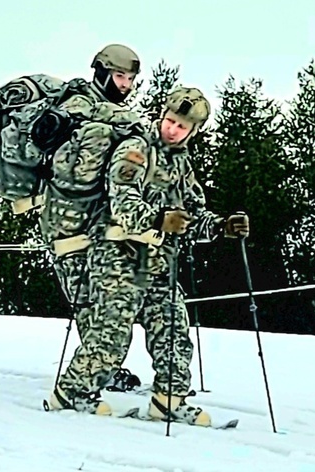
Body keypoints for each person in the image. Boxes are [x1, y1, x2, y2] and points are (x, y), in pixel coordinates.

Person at [45, 86, 249, 426]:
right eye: (169, 121)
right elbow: (121, 201)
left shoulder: (182, 165)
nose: (172, 129)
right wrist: (158, 219)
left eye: (181, 126)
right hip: (118, 254)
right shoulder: (136, 148)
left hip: (158, 260)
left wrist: (220, 226)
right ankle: (72, 394)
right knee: (111, 331)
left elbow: (192, 214)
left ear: (193, 131)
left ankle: (169, 400)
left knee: (173, 328)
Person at [36, 43, 144, 392]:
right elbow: (83, 124)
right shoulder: (79, 100)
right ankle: (94, 372)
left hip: (93, 217)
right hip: (65, 220)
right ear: (100, 71)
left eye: (129, 79)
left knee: (99, 294)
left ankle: (103, 366)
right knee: (84, 295)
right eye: (119, 76)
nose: (125, 85)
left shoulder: (108, 108)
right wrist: (131, 122)